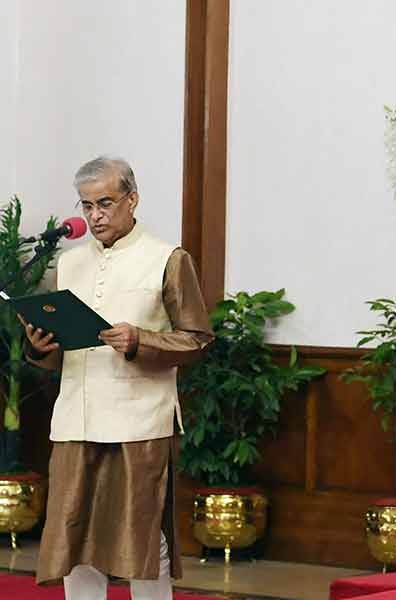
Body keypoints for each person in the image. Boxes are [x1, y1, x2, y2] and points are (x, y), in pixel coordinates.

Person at [23, 156, 214, 599]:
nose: (95, 216)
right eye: (87, 206)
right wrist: (40, 347)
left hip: (139, 422)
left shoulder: (167, 258)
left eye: (105, 203)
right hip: (75, 420)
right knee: (75, 539)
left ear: (132, 200)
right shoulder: (68, 264)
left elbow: (198, 340)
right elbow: (62, 351)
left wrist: (140, 341)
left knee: (143, 543)